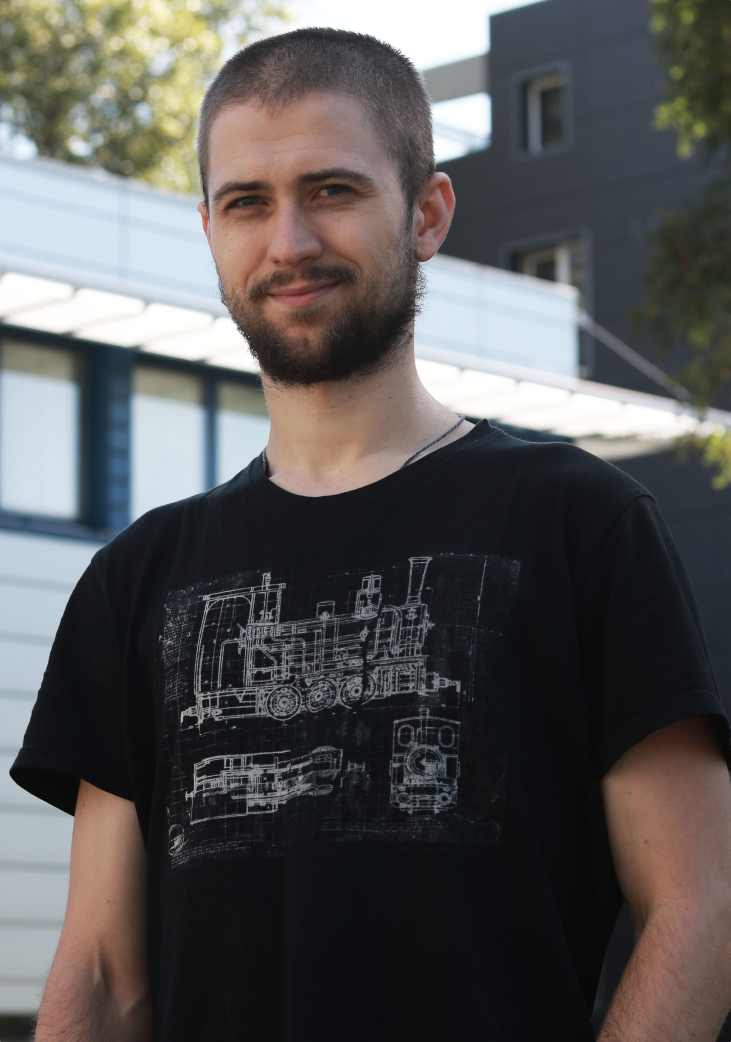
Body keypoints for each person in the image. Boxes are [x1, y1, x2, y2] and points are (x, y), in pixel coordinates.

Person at [11, 28, 731, 1042]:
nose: (289, 242)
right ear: (210, 229)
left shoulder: (580, 523)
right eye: (246, 202)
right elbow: (98, 973)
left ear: (425, 213)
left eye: (332, 190)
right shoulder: (136, 580)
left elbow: (702, 908)